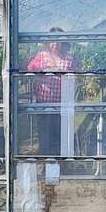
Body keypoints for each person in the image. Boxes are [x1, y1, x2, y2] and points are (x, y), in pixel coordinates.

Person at [26, 27, 76, 155]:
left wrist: (62, 73)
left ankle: (59, 164)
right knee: (44, 135)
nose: (55, 44)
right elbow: (30, 67)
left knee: (59, 135)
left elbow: (74, 78)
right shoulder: (42, 57)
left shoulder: (68, 60)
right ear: (48, 43)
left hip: (61, 104)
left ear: (64, 43)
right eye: (53, 41)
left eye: (59, 41)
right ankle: (46, 163)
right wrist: (41, 67)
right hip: (43, 103)